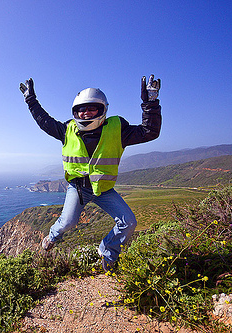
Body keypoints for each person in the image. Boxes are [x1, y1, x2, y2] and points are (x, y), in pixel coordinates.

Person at [19, 75, 161, 271]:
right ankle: (51, 237)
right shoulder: (67, 130)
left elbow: (150, 131)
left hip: (103, 190)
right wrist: (30, 100)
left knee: (129, 222)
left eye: (92, 108)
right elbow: (45, 121)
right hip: (77, 189)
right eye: (81, 109)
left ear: (102, 110)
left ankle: (108, 253)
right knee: (67, 222)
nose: (86, 113)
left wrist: (151, 102)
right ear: (75, 112)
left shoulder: (118, 130)